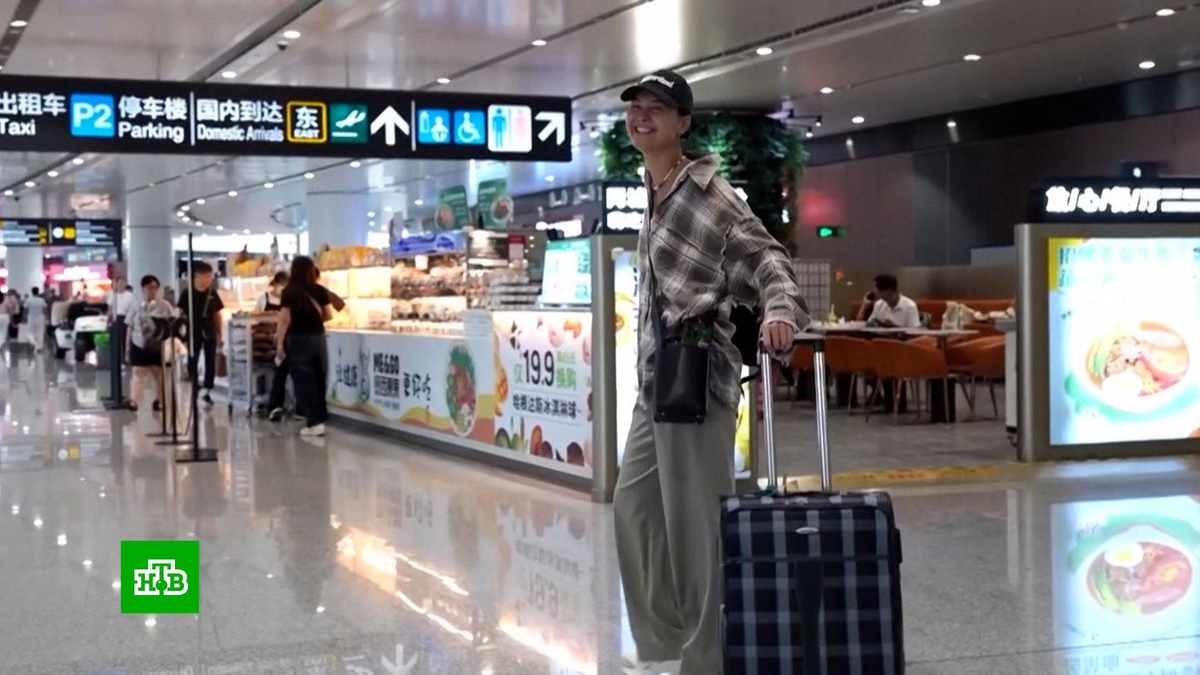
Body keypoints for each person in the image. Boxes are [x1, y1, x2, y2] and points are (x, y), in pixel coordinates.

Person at [612, 70, 808, 675]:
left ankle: (705, 659)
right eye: (636, 108)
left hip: (696, 378)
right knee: (634, 508)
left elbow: (768, 257)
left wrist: (780, 311)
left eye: (657, 108)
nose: (642, 117)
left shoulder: (709, 194)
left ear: (683, 123)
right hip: (657, 380)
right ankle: (669, 642)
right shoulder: (655, 188)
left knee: (696, 531)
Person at [274, 256, 337, 437]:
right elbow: (329, 314)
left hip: (299, 339)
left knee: (304, 380)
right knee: (319, 377)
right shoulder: (319, 289)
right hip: (319, 338)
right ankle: (320, 418)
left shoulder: (289, 291)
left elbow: (284, 319)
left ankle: (314, 422)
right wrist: (313, 320)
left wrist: (280, 343)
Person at [177, 261, 225, 406]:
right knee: (193, 358)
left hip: (209, 329)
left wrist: (220, 333)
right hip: (193, 330)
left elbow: (218, 314)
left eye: (210, 277)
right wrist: (181, 334)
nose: (208, 280)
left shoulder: (212, 293)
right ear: (197, 276)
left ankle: (208, 390)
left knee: (211, 360)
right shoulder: (187, 293)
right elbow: (180, 313)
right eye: (206, 276)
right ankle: (194, 384)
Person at [125, 275, 174, 412]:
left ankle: (159, 400)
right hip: (138, 343)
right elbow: (130, 326)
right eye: (149, 288)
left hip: (156, 345)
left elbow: (172, 325)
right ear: (143, 289)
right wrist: (127, 347)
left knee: (158, 374)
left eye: (155, 288)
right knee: (138, 371)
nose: (152, 291)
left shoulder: (164, 306)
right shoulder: (136, 305)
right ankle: (134, 400)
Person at [258, 272, 295, 421]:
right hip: (267, 341)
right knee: (281, 371)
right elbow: (257, 318)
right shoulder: (264, 298)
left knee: (281, 370)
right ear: (276, 283)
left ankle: (276, 405)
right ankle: (275, 404)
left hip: (284, 338)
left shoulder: (289, 298)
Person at [24, 288, 47, 352]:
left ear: (32, 292)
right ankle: (39, 347)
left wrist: (24, 317)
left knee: (30, 332)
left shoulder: (29, 300)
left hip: (31, 317)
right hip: (40, 317)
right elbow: (45, 309)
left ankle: (33, 343)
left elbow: (25, 310)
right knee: (40, 332)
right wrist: (46, 317)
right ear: (38, 292)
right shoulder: (41, 300)